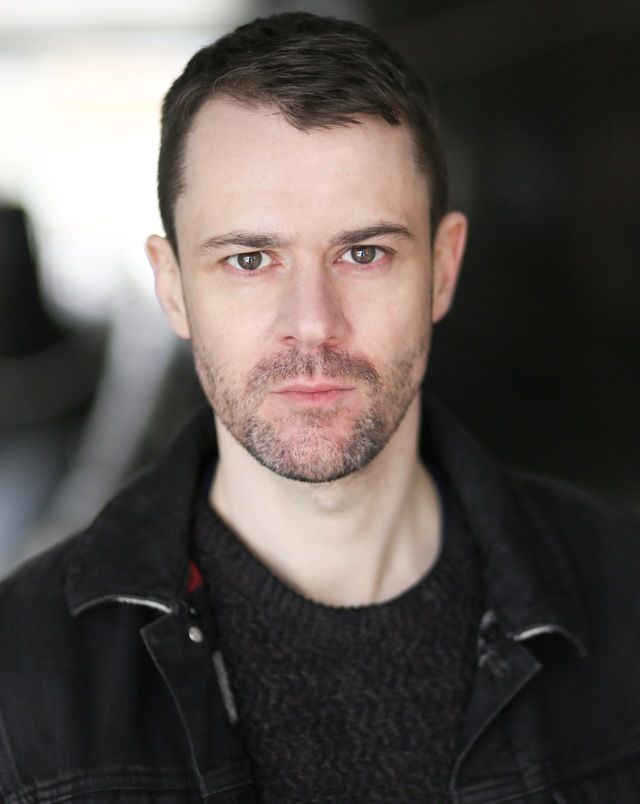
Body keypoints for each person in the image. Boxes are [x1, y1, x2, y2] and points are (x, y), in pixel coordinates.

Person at [0, 12, 639, 804]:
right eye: (250, 259)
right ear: (172, 288)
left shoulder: (623, 595)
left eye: (364, 253)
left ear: (443, 270)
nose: (312, 323)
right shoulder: (20, 677)